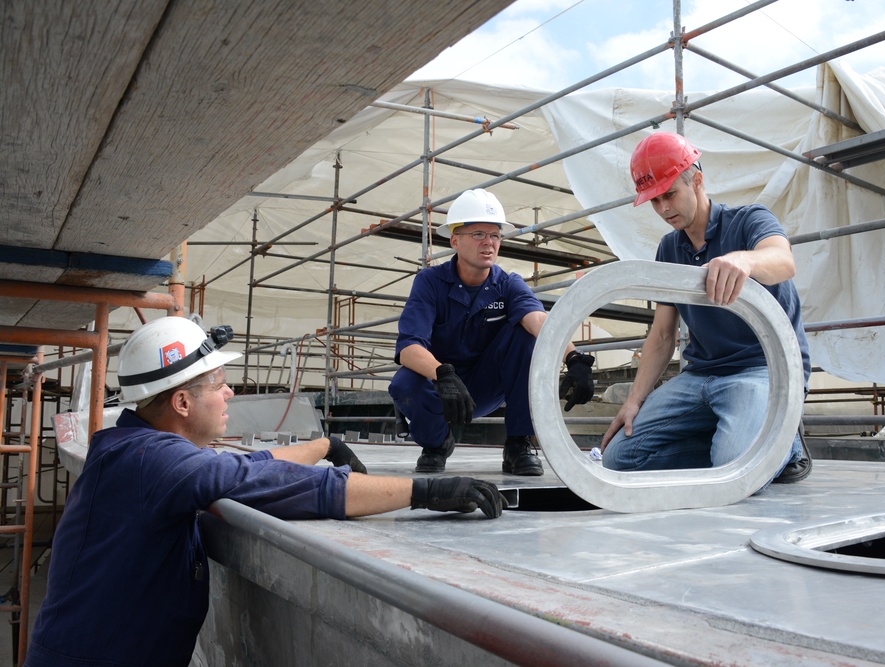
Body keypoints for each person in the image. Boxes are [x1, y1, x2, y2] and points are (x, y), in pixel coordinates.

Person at [25, 317, 505, 667]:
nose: (230, 391)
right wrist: (425, 491)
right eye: (218, 381)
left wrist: (323, 444)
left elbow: (242, 465)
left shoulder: (136, 449)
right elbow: (269, 483)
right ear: (182, 402)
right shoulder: (154, 461)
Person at [601, 131, 812, 488]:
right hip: (700, 377)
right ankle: (745, 444)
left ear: (696, 180)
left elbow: (783, 260)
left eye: (670, 194)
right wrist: (634, 401)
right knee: (618, 458)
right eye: (654, 200)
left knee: (732, 470)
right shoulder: (669, 248)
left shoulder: (748, 221)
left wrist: (743, 260)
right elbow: (663, 333)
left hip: (762, 371)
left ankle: (783, 443)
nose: (664, 208)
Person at [389, 188, 595, 476]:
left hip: (486, 385)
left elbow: (537, 319)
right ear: (455, 240)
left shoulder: (508, 284)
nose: (489, 243)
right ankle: (437, 444)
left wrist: (572, 356)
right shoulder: (430, 283)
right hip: (441, 386)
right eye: (478, 235)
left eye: (495, 235)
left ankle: (518, 443)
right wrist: (443, 374)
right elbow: (409, 347)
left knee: (526, 334)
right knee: (403, 384)